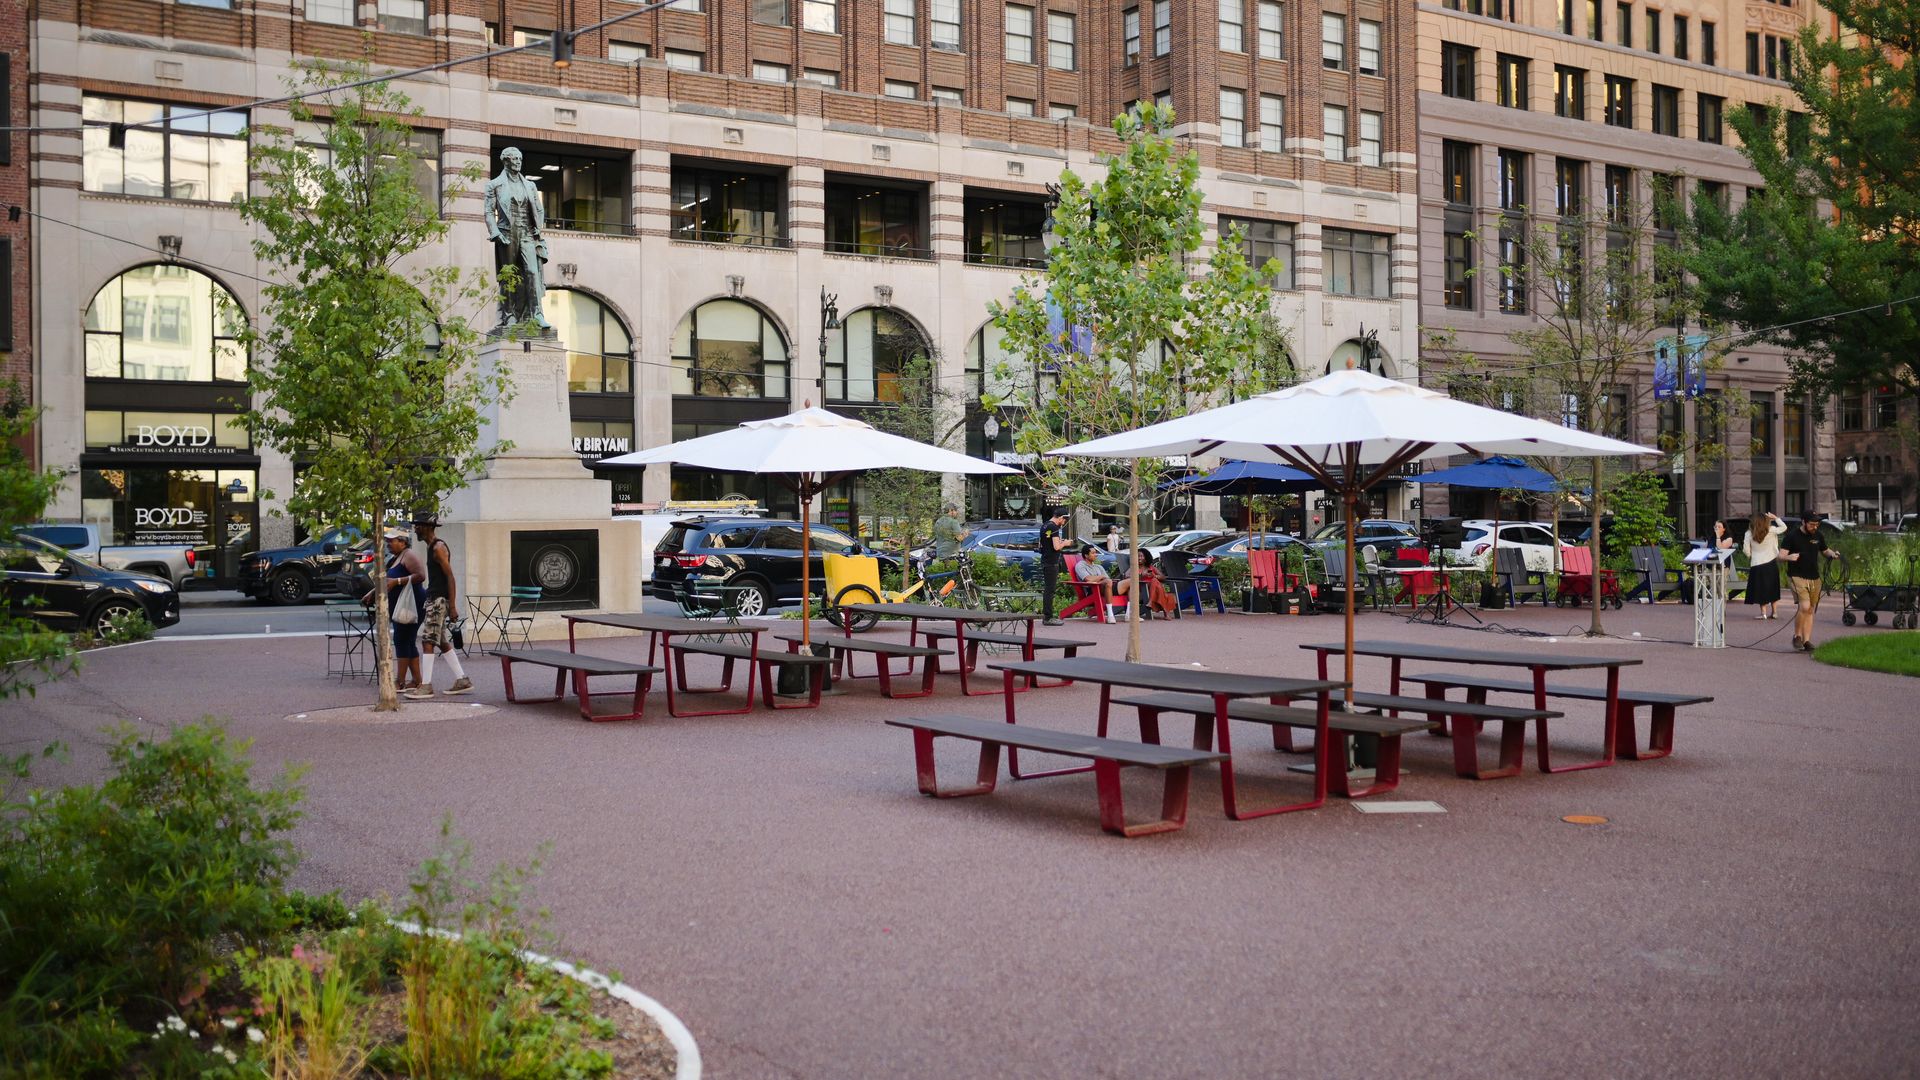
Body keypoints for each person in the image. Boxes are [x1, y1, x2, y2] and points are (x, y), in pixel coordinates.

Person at [405, 514, 473, 699]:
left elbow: (450, 577)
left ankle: (426, 685)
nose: (415, 529)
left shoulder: (438, 547)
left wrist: (452, 606)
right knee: (441, 641)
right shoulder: (430, 547)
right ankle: (462, 679)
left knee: (428, 641)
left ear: (428, 526)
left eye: (418, 525)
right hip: (434, 599)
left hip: (438, 600)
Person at [483, 146, 550, 330]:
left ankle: (536, 315)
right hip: (507, 234)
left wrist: (538, 228)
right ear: (506, 161)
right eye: (514, 159)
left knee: (532, 273)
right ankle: (509, 315)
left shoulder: (530, 185)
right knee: (508, 276)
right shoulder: (494, 185)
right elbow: (489, 212)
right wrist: (495, 233)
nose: (518, 162)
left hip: (527, 233)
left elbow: (539, 208)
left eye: (520, 158)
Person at [364, 529, 427, 693]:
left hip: (411, 604)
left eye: (392, 541)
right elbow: (387, 580)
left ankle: (400, 681)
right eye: (388, 541)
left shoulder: (409, 555)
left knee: (401, 639)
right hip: (400, 605)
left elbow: (420, 575)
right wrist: (372, 593)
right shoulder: (395, 558)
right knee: (407, 640)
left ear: (403, 541)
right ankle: (416, 680)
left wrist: (398, 581)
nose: (389, 544)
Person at [1779, 513, 1840, 652]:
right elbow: (1780, 556)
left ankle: (1806, 641)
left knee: (1811, 609)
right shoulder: (1792, 536)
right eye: (1812, 524)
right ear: (1803, 522)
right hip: (1796, 576)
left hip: (1814, 577)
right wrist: (1789, 557)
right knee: (1804, 607)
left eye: (1817, 524)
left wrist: (1832, 554)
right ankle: (1797, 636)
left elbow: (1824, 550)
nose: (1815, 527)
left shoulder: (1818, 535)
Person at [1742, 510, 1786, 620]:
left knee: (1761, 588)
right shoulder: (1771, 530)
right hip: (1771, 562)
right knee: (1772, 587)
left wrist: (1751, 555)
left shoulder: (1749, 533)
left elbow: (1746, 550)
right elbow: (1784, 527)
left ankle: (1763, 613)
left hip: (1757, 564)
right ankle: (1775, 612)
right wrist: (1775, 517)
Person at [1039, 508, 1071, 626]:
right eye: (1064, 519)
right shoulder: (1054, 527)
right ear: (1060, 517)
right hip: (1052, 562)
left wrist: (1059, 541)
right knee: (1050, 590)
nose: (1064, 522)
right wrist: (1065, 543)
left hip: (1045, 560)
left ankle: (1047, 616)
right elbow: (1057, 547)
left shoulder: (1045, 525)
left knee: (1048, 589)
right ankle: (1048, 618)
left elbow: (1045, 543)